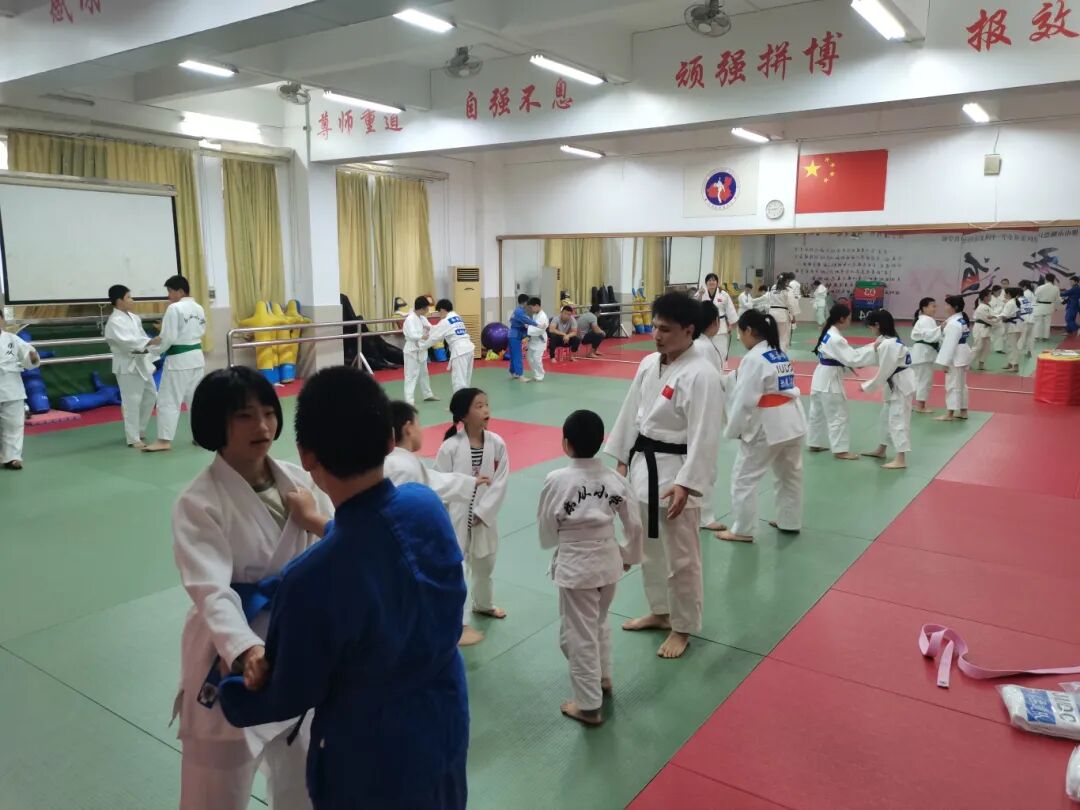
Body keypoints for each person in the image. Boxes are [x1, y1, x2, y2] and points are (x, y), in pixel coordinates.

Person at [217, 367, 469, 809]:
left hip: (369, 757)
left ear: (306, 456)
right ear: (390, 441)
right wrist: (317, 521)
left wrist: (231, 688)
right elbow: (377, 538)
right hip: (444, 717)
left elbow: (290, 693)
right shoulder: (425, 506)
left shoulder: (311, 578)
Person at [171, 366, 333, 810]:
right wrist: (245, 650)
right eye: (244, 416)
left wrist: (314, 521)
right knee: (215, 788)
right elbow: (211, 590)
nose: (262, 426)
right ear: (214, 424)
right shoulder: (198, 502)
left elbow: (336, 549)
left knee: (304, 774)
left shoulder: (299, 482)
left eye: (268, 412)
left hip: (297, 643)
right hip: (230, 649)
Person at [604, 293, 722, 659]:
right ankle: (660, 611)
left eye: (666, 329)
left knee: (682, 557)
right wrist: (622, 459)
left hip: (676, 474)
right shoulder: (648, 363)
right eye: (655, 327)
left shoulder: (702, 374)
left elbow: (706, 433)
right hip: (644, 466)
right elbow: (630, 413)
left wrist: (688, 482)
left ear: (689, 330)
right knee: (649, 549)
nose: (656, 335)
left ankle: (683, 626)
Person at [537, 409, 644, 727]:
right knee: (597, 623)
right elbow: (634, 523)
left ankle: (588, 705)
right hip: (609, 563)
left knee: (578, 635)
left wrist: (556, 542)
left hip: (577, 567)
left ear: (565, 443)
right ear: (601, 442)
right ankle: (603, 677)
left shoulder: (556, 480)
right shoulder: (616, 479)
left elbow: (546, 526)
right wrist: (629, 554)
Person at [717, 309, 806, 543]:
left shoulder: (754, 358)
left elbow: (745, 400)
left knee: (743, 478)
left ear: (749, 330)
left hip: (768, 424)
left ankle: (743, 529)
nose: (739, 338)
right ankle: (789, 520)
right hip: (793, 421)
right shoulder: (778, 352)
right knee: (789, 475)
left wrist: (733, 429)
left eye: (740, 333)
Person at [435, 388, 509, 647]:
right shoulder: (450, 447)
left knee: (486, 562)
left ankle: (483, 604)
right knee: (459, 566)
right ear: (464, 416)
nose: (486, 410)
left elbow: (500, 482)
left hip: (484, 515)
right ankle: (458, 620)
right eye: (479, 406)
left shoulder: (497, 443)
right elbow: (440, 482)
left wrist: (483, 511)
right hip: (456, 515)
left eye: (486, 404)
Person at [143, 275, 206, 452]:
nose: (168, 295)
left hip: (179, 361)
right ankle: (200, 437)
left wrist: (152, 350)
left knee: (168, 400)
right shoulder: (199, 308)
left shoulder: (174, 308)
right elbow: (201, 330)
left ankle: (164, 440)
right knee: (196, 399)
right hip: (197, 358)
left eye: (170, 291)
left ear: (180, 291)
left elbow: (168, 338)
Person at [806, 303, 875, 461]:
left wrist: (871, 347)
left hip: (820, 377)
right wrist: (874, 349)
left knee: (817, 413)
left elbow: (849, 357)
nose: (850, 321)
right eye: (849, 318)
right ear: (842, 319)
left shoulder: (828, 333)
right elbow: (853, 359)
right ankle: (840, 450)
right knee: (838, 414)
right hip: (830, 380)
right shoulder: (836, 338)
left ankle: (813, 442)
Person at [385, 400, 486, 505]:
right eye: (418, 424)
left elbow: (433, 481)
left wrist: (470, 482)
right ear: (408, 428)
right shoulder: (403, 469)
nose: (421, 430)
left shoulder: (400, 462)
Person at [104, 284, 158, 448]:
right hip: (126, 365)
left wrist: (151, 348)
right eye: (128, 297)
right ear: (119, 301)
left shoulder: (134, 318)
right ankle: (133, 438)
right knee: (131, 401)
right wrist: (150, 342)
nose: (132, 300)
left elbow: (141, 338)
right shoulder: (114, 322)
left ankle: (140, 429)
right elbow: (128, 343)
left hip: (141, 362)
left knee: (151, 395)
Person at [860, 310, 915, 470]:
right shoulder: (886, 339)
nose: (870, 330)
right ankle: (881, 449)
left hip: (900, 385)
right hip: (894, 384)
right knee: (885, 418)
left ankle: (901, 458)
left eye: (871, 326)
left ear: (877, 325)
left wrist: (867, 386)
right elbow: (874, 349)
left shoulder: (889, 344)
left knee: (898, 419)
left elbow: (884, 371)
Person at [693, 301, 730, 532]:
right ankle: (704, 516)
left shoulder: (698, 344)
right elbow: (712, 381)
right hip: (705, 410)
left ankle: (699, 513)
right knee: (706, 464)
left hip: (697, 409)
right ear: (716, 322)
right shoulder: (704, 347)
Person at [0, 316, 40, 471]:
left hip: (11, 386)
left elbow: (28, 355)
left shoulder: (12, 338)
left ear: (2, 320)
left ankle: (13, 458)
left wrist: (32, 358)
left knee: (14, 424)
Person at [421, 299, 475, 394]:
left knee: (458, 380)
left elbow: (434, 338)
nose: (439, 315)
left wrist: (421, 347)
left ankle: (459, 402)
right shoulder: (457, 316)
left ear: (442, 310)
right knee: (466, 379)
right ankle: (466, 400)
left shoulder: (445, 321)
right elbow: (440, 329)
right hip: (469, 349)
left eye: (439, 312)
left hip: (460, 351)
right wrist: (430, 328)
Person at [935, 295, 972, 422]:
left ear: (954, 307)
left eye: (947, 304)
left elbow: (949, 345)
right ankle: (963, 411)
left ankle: (950, 413)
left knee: (952, 385)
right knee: (961, 385)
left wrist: (945, 363)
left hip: (955, 357)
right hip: (962, 354)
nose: (945, 307)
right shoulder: (960, 320)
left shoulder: (953, 324)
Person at [402, 296, 437, 405]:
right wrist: (422, 336)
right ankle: (409, 400)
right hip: (412, 350)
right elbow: (412, 335)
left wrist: (434, 330)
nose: (428, 310)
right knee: (411, 376)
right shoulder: (410, 319)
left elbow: (431, 327)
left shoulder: (422, 318)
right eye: (427, 308)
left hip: (422, 350)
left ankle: (427, 394)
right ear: (422, 308)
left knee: (424, 374)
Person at [910, 298, 941, 414]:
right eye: (933, 306)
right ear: (924, 308)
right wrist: (941, 328)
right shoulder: (927, 320)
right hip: (924, 354)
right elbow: (930, 336)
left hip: (920, 353)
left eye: (935, 306)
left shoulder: (924, 319)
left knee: (917, 380)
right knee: (924, 380)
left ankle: (910, 403)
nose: (935, 309)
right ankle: (920, 406)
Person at [764, 274, 799, 352]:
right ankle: (781, 354)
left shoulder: (773, 288)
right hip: (782, 315)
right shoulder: (787, 289)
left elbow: (768, 300)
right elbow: (790, 304)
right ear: (787, 281)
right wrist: (793, 316)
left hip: (771, 314)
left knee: (772, 336)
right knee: (783, 337)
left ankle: (772, 353)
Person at [508, 293, 539, 381]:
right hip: (515, 335)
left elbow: (514, 321)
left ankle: (513, 372)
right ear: (525, 302)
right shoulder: (519, 312)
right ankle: (520, 375)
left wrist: (524, 326)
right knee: (517, 355)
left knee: (513, 355)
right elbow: (527, 320)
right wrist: (538, 325)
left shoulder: (517, 311)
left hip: (512, 334)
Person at [970, 289, 998, 371]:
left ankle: (981, 363)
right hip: (980, 327)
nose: (991, 297)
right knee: (977, 347)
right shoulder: (982, 307)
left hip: (986, 328)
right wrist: (996, 320)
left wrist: (995, 318)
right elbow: (988, 319)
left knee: (986, 347)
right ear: (985, 297)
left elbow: (992, 317)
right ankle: (967, 363)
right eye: (989, 295)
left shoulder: (987, 306)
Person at [1000, 287, 1025, 372]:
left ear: (1009, 294)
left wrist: (995, 318)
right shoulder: (1014, 301)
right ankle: (1010, 363)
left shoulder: (1010, 303)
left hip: (1013, 327)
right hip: (1016, 326)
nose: (1004, 295)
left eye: (1005, 293)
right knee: (1010, 346)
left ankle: (1015, 365)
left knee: (1013, 347)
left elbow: (1005, 315)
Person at [525, 297, 549, 382]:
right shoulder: (535, 314)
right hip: (533, 339)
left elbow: (539, 330)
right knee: (529, 357)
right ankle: (536, 374)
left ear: (537, 305)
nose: (531, 309)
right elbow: (533, 325)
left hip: (540, 340)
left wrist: (527, 328)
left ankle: (540, 375)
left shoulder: (543, 316)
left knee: (536, 358)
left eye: (532, 307)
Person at [1034, 273, 1059, 341]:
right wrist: (1056, 307)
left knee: (1038, 322)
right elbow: (1057, 299)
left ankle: (1036, 336)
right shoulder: (1056, 288)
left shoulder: (1040, 287)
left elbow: (1035, 298)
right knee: (1047, 322)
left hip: (1040, 306)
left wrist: (1033, 306)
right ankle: (1045, 337)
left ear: (1046, 279)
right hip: (1049, 306)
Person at [1020, 279, 1037, 356]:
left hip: (1026, 317)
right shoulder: (1031, 293)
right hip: (1031, 317)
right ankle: (1029, 350)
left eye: (1021, 287)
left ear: (1024, 286)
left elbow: (1022, 305)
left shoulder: (1025, 294)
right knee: (1030, 336)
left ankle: (1020, 350)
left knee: (1023, 335)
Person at [989, 285, 1006, 354]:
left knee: (1000, 333)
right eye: (999, 292)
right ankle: (985, 348)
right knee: (989, 334)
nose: (1000, 293)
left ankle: (998, 349)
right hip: (991, 318)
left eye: (1000, 292)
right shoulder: (990, 299)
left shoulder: (999, 299)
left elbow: (1003, 306)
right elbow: (990, 310)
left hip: (999, 319)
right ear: (994, 291)